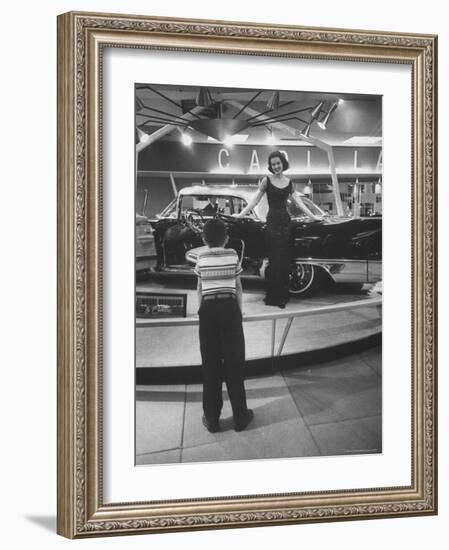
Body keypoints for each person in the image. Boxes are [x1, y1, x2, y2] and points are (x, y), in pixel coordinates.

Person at [237, 151, 320, 308]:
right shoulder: (266, 180)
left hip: (285, 223)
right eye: (273, 164)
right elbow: (254, 200)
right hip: (272, 222)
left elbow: (299, 203)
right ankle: (273, 296)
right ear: (271, 166)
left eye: (278, 163)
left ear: (283, 163)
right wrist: (240, 215)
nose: (276, 166)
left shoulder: (289, 182)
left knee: (284, 261)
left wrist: (313, 217)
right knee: (274, 260)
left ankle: (283, 295)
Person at [195, 218, 254, 433]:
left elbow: (200, 288)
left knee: (210, 365)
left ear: (203, 238)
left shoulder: (200, 256)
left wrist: (201, 312)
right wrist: (239, 311)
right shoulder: (232, 255)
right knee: (234, 363)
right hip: (229, 309)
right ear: (226, 238)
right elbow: (238, 286)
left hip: (208, 311)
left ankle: (212, 419)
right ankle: (240, 417)